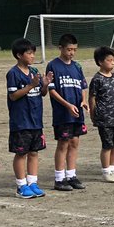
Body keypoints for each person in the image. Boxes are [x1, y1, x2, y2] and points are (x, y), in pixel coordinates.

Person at [6, 38, 50, 198]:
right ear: (19, 55)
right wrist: (30, 85)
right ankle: (21, 185)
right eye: (29, 53)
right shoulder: (13, 73)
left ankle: (32, 183)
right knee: (21, 153)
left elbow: (42, 93)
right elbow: (13, 96)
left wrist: (45, 84)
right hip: (21, 121)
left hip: (35, 120)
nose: (32, 56)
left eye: (33, 53)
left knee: (34, 152)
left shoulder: (34, 71)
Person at [47, 33, 88, 190]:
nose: (72, 53)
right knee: (63, 143)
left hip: (77, 112)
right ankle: (59, 178)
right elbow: (52, 90)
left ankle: (71, 175)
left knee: (74, 142)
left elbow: (82, 86)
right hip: (63, 114)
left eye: (74, 50)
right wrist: (67, 105)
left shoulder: (77, 66)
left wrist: (83, 101)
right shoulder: (53, 65)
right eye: (69, 49)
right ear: (61, 48)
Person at [88, 46, 114, 183]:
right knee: (107, 145)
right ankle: (106, 171)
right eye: (109, 60)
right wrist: (93, 114)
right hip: (105, 118)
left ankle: (112, 169)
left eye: (113, 60)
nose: (112, 63)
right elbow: (92, 98)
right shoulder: (97, 79)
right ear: (100, 62)